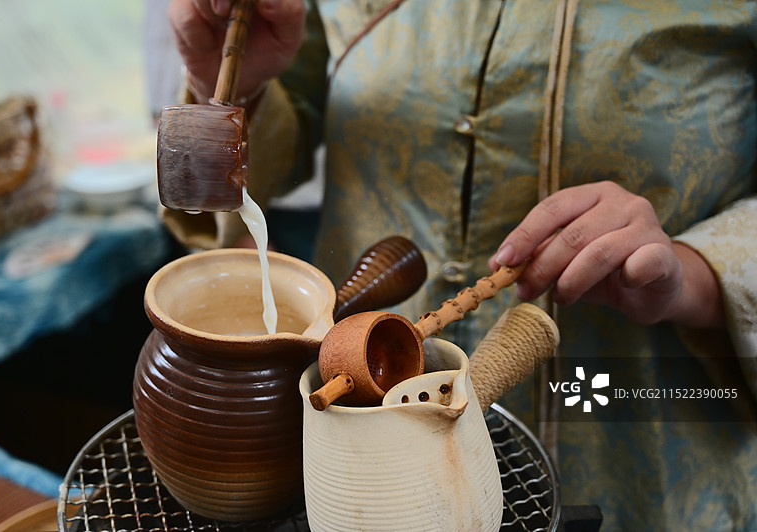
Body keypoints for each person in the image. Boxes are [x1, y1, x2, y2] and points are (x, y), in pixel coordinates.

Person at [158, 0, 757, 529]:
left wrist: (694, 271)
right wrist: (243, 87)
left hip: (630, 427)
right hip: (356, 441)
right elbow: (290, 137)